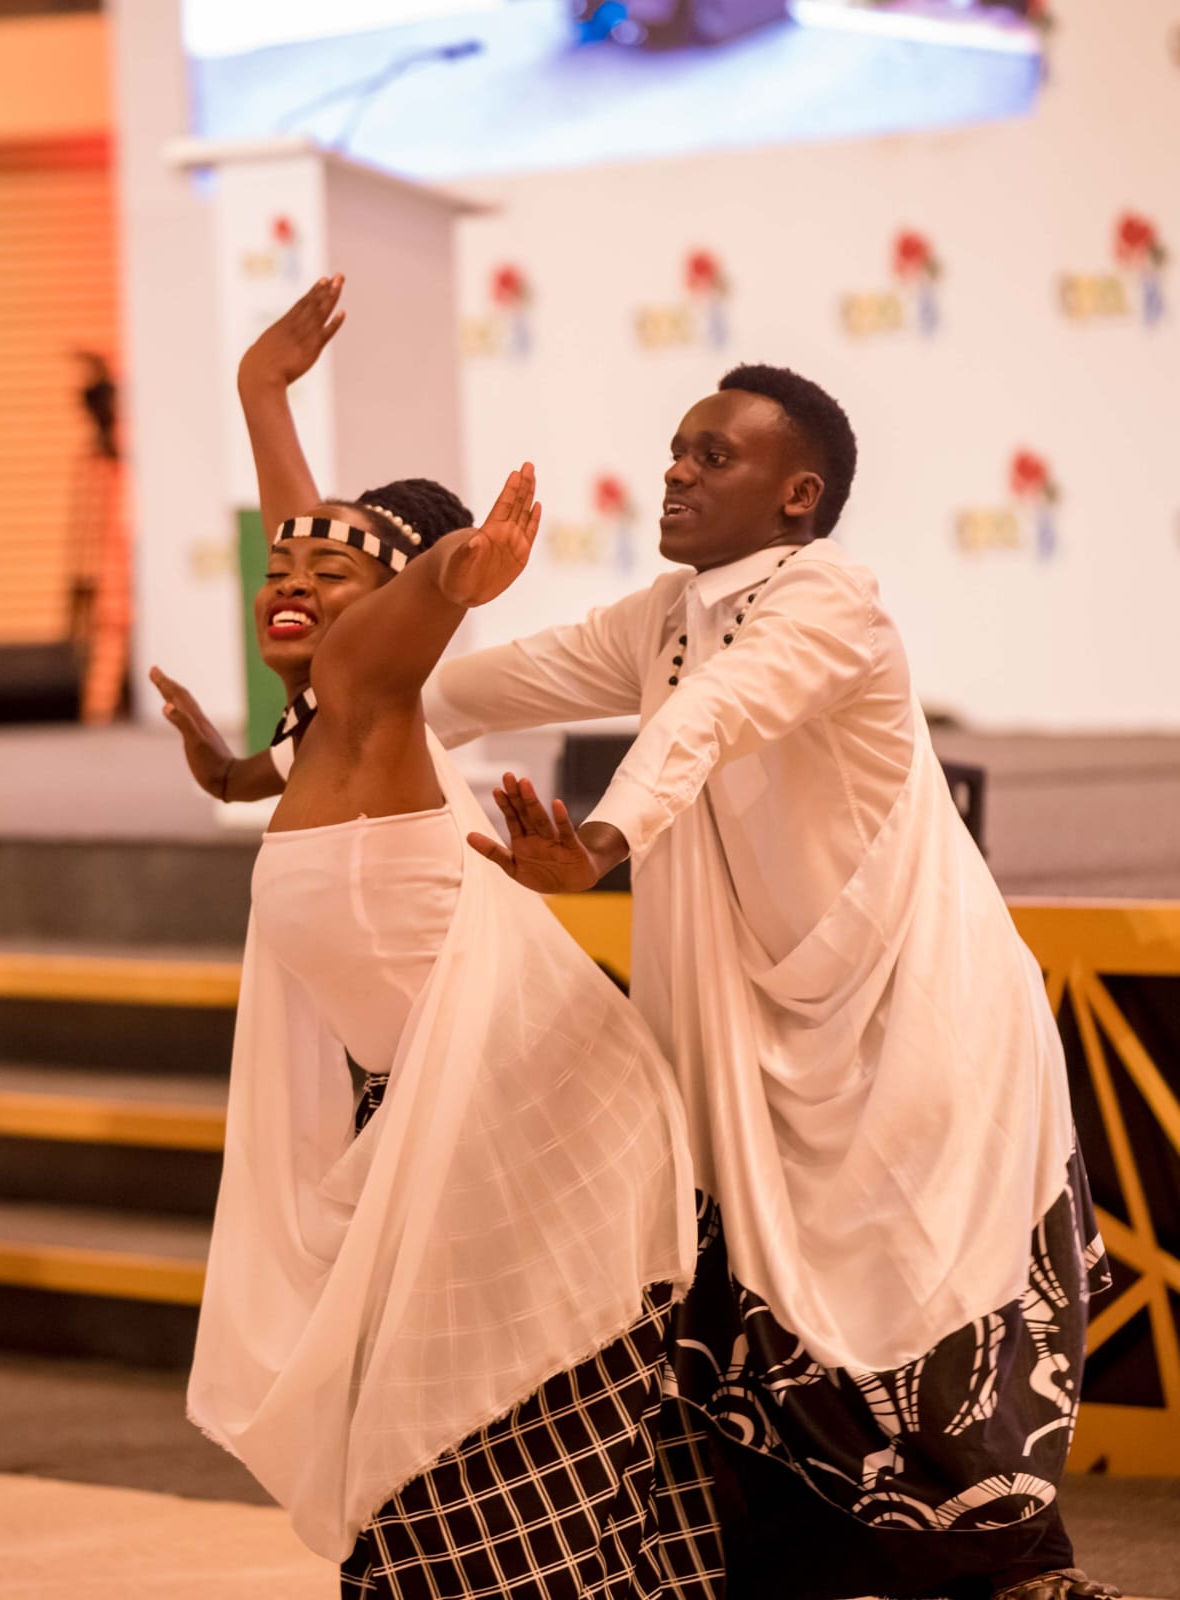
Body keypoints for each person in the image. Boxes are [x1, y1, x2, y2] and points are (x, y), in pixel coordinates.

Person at [230, 313, 1116, 1600]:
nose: (674, 471)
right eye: (674, 450)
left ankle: (1015, 1567)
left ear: (795, 495)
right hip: (751, 1024)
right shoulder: (663, 616)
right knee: (754, 1307)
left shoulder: (829, 599)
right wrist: (276, 753)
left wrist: (597, 841)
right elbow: (463, 690)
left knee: (923, 1289)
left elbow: (713, 715)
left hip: (906, 1017)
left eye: (711, 455)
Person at [163, 281, 723, 1600]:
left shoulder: (365, 690)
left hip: (541, 1106)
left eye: (330, 581)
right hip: (460, 1106)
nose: (291, 589)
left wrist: (445, 579)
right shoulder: (315, 724)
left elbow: (373, 617)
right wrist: (259, 392)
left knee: (482, 1424)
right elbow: (313, 567)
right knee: (442, 1431)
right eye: (277, 574)